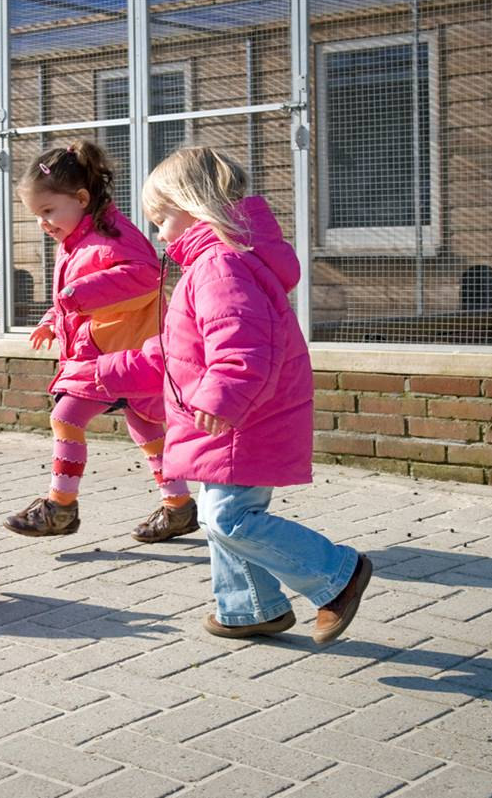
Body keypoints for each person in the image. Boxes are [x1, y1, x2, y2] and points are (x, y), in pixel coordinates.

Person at [95, 147, 372, 644]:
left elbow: (242, 347)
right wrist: (106, 370)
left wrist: (221, 401)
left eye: (162, 219)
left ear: (193, 205)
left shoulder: (220, 266)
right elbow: (181, 351)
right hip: (230, 416)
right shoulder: (214, 263)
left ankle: (337, 574)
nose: (159, 234)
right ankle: (248, 608)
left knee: (229, 517)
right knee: (218, 512)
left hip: (239, 419)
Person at [4, 140, 198, 542]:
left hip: (123, 353)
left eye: (47, 211)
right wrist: (52, 319)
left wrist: (76, 298)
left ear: (80, 198)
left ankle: (60, 506)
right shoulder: (76, 240)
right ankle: (178, 509)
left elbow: (145, 275)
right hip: (109, 349)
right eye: (37, 215)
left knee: (68, 416)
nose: (43, 223)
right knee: (146, 429)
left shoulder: (113, 234)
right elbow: (71, 296)